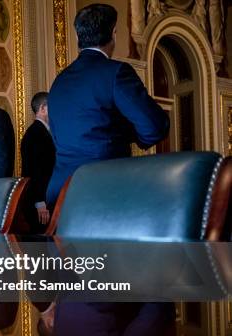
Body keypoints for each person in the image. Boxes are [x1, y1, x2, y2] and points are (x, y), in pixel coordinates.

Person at [46, 3, 169, 206]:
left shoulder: (59, 81)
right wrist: (126, 136)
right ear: (113, 34)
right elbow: (155, 126)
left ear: (78, 37)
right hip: (104, 190)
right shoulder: (116, 72)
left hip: (60, 194)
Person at [20, 92, 55, 232]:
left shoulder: (44, 132)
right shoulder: (35, 134)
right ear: (43, 108)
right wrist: (40, 203)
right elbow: (33, 171)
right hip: (40, 204)